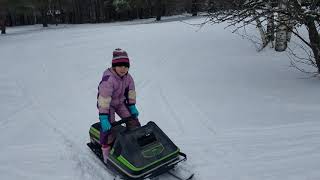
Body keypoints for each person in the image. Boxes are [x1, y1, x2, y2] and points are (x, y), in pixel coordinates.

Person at [97, 48, 141, 163]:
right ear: (114, 66)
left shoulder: (128, 78)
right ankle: (106, 151)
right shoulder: (108, 79)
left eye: (126, 66)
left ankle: (133, 143)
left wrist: (132, 106)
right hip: (107, 105)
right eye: (120, 66)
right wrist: (103, 117)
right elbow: (104, 99)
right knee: (108, 128)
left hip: (120, 103)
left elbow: (131, 92)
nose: (123, 69)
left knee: (133, 121)